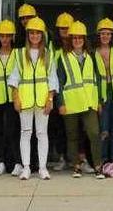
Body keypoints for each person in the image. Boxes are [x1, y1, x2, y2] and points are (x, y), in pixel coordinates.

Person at [9, 17, 59, 180]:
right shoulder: (19, 53)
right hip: (25, 100)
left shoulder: (49, 55)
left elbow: (52, 79)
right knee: (25, 133)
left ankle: (43, 168)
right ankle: (26, 167)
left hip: (43, 99)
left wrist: (50, 99)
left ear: (42, 35)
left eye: (38, 33)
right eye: (32, 33)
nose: (35, 36)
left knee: (42, 133)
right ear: (28, 35)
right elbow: (14, 78)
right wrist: (15, 98)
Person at [57, 21, 104, 178]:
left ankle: (98, 165)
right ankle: (76, 166)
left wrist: (98, 101)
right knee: (72, 136)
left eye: (80, 38)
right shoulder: (63, 58)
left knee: (94, 133)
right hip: (70, 103)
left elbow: (96, 80)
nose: (77, 41)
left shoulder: (91, 57)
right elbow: (60, 83)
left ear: (84, 40)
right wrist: (61, 103)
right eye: (74, 38)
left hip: (89, 102)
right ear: (71, 40)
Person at [0, 20, 20, 176]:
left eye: (8, 36)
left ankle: (15, 162)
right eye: (2, 36)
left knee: (12, 131)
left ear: (12, 37)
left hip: (13, 98)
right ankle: (1, 161)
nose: (5, 39)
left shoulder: (18, 54)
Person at [94, 18, 113, 164]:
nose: (105, 36)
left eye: (108, 34)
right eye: (102, 33)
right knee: (103, 129)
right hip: (102, 94)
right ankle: (104, 160)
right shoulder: (93, 53)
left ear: (112, 36)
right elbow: (92, 77)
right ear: (98, 35)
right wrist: (97, 100)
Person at [49, 12, 74, 171]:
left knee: (75, 129)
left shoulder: (77, 45)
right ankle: (62, 157)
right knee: (59, 128)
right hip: (58, 92)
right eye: (61, 28)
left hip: (74, 93)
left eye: (67, 28)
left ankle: (75, 159)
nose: (64, 31)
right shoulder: (52, 46)